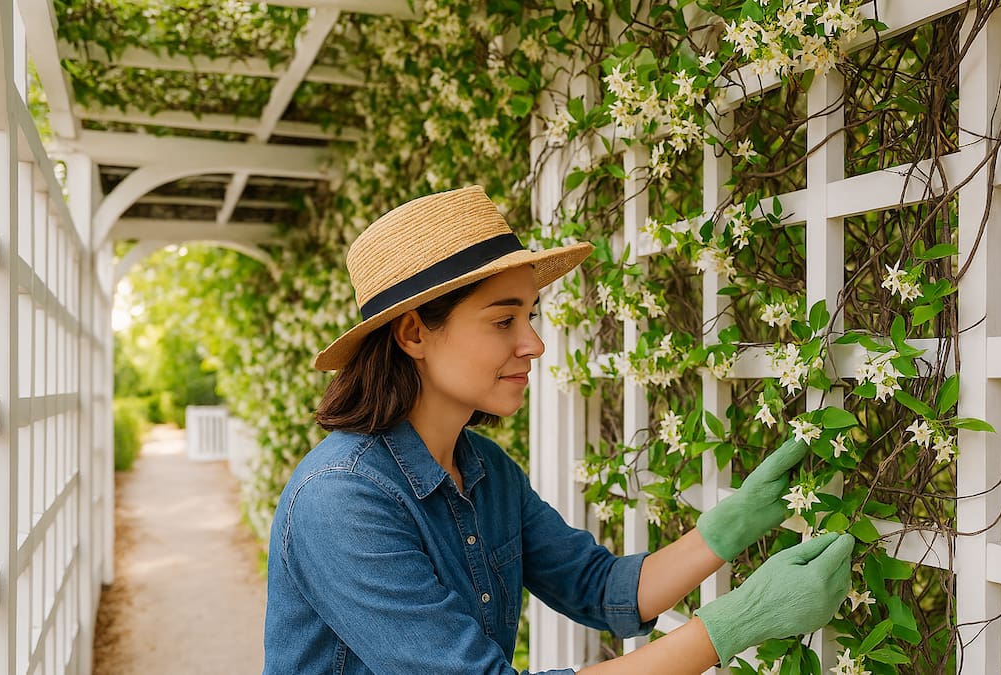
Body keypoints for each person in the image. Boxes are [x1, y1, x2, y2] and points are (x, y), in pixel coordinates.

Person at [262, 185, 854, 674]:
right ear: (413, 334)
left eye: (530, 316)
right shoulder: (341, 500)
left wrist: (724, 532)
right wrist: (734, 624)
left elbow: (600, 588)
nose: (535, 345)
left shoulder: (486, 471)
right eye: (503, 321)